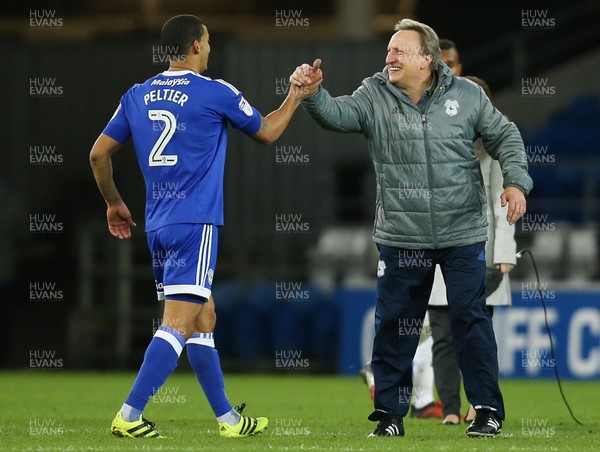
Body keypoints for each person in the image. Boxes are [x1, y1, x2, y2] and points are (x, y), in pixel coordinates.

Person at [290, 18, 532, 438]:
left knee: (471, 319)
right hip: (402, 236)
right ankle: (389, 417)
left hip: (462, 233)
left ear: (428, 59)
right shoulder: (374, 93)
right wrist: (313, 95)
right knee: (395, 325)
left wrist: (514, 182)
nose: (390, 57)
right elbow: (338, 114)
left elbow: (506, 135)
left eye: (400, 50)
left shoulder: (467, 95)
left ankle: (487, 409)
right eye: (388, 50)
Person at [90, 14, 318, 439]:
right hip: (196, 222)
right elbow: (267, 132)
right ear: (195, 45)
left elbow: (98, 155)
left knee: (204, 315)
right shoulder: (215, 92)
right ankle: (129, 413)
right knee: (177, 322)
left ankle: (228, 421)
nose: (209, 48)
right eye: (208, 41)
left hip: (158, 225)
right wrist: (296, 96)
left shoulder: (136, 95)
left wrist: (114, 203)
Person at [428, 62, 518, 426]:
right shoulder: (435, 135)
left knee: (477, 332)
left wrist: (503, 253)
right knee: (442, 337)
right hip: (438, 246)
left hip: (480, 252)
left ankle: (478, 405)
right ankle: (449, 407)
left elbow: (504, 200)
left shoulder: (497, 144)